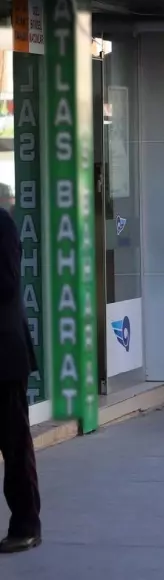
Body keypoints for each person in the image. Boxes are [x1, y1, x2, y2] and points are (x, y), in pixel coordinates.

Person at [0, 208, 39, 553]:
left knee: (14, 446)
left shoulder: (2, 224)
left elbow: (8, 284)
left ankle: (26, 525)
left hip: (4, 358)